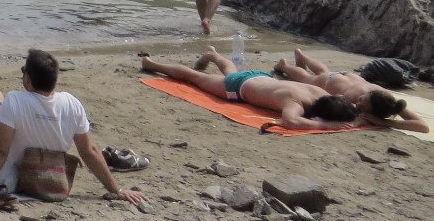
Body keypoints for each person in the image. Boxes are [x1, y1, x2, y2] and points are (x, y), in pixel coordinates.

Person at [0, 49, 146, 205]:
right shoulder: (72, 104)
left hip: (9, 180)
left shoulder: (15, 100)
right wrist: (116, 190)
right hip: (49, 180)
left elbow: (0, 151)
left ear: (27, 78)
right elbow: (89, 151)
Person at [140, 50, 357, 130]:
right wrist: (327, 125)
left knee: (230, 71)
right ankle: (152, 65)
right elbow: (291, 122)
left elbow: (354, 108)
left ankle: (214, 55)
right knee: (194, 77)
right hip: (238, 88)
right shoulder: (295, 104)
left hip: (261, 76)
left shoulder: (324, 95)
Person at [273, 50, 430, 132]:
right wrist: (385, 122)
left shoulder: (387, 98)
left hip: (348, 77)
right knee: (306, 79)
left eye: (361, 104)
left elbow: (423, 126)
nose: (358, 104)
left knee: (323, 72)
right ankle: (284, 66)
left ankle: (303, 57)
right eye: (361, 100)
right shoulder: (377, 99)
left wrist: (385, 122)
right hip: (334, 82)